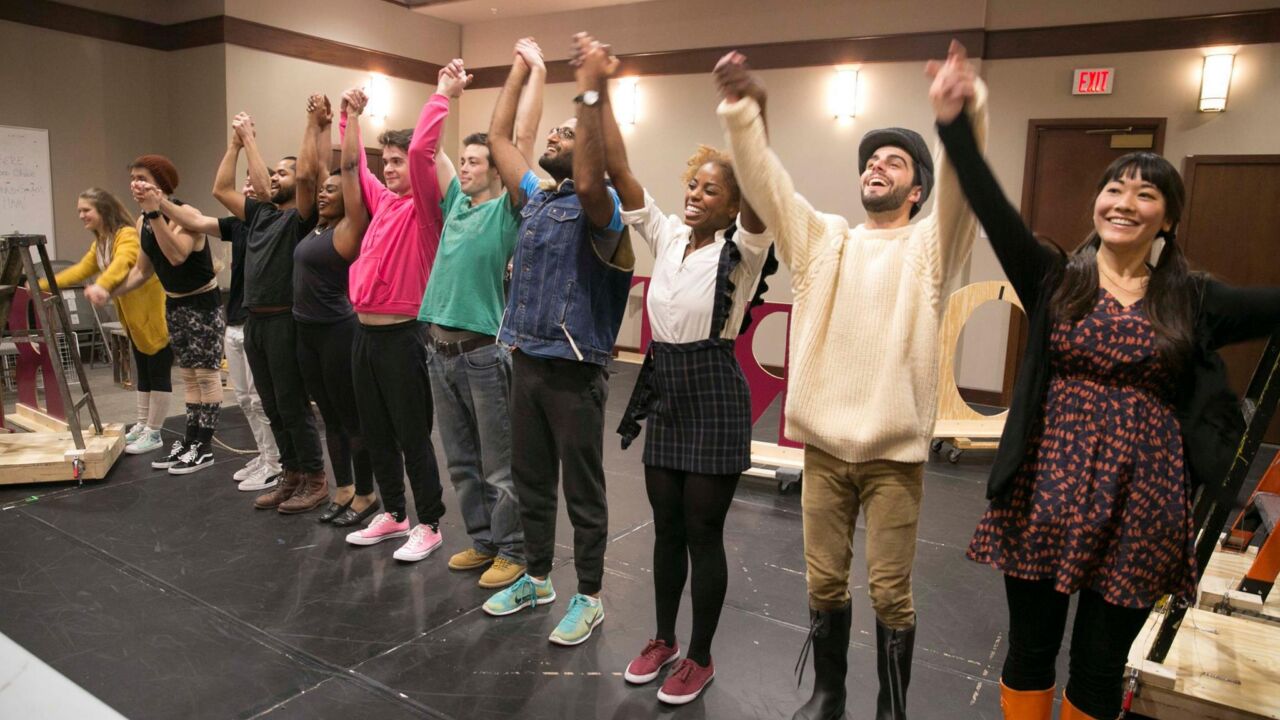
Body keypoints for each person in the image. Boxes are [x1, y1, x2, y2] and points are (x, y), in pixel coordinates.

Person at [933, 54, 1280, 720]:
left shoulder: (1195, 299)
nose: (1125, 202)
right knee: (1030, 650)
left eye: (1146, 194)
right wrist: (953, 121)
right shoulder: (1054, 276)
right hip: (1045, 487)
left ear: (1168, 218)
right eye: (1115, 188)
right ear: (1097, 203)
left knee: (1098, 665)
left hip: (1142, 501)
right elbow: (991, 205)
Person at [715, 42, 985, 720]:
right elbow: (769, 185)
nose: (877, 166)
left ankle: (891, 709)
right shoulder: (825, 242)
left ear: (916, 189)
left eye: (894, 161)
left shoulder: (927, 251)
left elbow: (963, 193)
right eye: (871, 159)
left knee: (891, 592)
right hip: (825, 451)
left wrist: (961, 116)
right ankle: (829, 694)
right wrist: (743, 110)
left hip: (893, 457)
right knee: (825, 581)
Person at [577, 34, 775, 703]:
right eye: (692, 183)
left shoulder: (744, 250)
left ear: (731, 201)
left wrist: (748, 111)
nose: (694, 193)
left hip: (715, 387)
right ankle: (662, 637)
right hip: (664, 385)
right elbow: (622, 169)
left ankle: (701, 654)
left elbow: (757, 186)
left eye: (709, 188)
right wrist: (597, 87)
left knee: (702, 531)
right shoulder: (665, 235)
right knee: (665, 528)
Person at [479, 32, 633, 648]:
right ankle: (537, 578)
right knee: (531, 479)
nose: (553, 141)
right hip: (526, 361)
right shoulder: (538, 198)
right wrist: (519, 70)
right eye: (555, 136)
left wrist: (589, 94)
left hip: (573, 372)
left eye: (565, 137)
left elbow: (595, 179)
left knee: (583, 490)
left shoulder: (605, 208)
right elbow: (499, 142)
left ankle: (589, 596)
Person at [418, 39, 544, 589]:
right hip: (437, 351)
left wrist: (528, 69)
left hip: (482, 357)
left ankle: (513, 550)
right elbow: (426, 151)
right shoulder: (455, 208)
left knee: (498, 465)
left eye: (475, 162)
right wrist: (443, 94)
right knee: (461, 463)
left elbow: (522, 141)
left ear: (497, 173)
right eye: (463, 161)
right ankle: (483, 542)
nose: (465, 168)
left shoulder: (504, 213)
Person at [337, 60, 461, 561]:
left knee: (411, 433)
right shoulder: (384, 204)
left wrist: (442, 95)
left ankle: (428, 522)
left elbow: (426, 153)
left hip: (404, 336)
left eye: (399, 161)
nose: (391, 169)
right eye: (386, 161)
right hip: (363, 336)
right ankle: (394, 511)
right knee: (373, 430)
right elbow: (351, 167)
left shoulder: (426, 210)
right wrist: (349, 118)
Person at [214, 109, 327, 514]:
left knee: (292, 404)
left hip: (284, 321)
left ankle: (314, 479)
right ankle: (291, 475)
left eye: (284, 172)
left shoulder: (300, 217)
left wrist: (248, 139)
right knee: (272, 405)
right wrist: (233, 146)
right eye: (273, 172)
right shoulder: (261, 214)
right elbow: (221, 188)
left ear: (300, 183)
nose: (275, 177)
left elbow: (267, 183)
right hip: (255, 322)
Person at [161, 171, 282, 492]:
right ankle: (265, 454)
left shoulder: (276, 222)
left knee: (260, 400)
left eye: (251, 183)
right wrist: (156, 203)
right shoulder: (236, 225)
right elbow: (198, 219)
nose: (244, 188)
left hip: (260, 323)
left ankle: (276, 463)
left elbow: (200, 215)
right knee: (243, 398)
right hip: (235, 320)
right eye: (242, 183)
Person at [295, 93, 379, 527]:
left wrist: (351, 120)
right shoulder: (315, 229)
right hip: (307, 334)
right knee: (329, 417)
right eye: (322, 191)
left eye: (332, 191)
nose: (323, 194)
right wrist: (318, 124)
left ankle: (366, 494)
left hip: (337, 332)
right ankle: (343, 487)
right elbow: (308, 176)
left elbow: (349, 170)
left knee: (351, 419)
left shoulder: (350, 228)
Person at [113, 155, 225, 475]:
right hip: (175, 304)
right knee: (188, 377)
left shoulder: (187, 215)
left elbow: (175, 255)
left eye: (142, 177)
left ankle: (204, 448)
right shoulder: (143, 221)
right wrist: (111, 290)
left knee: (205, 376)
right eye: (132, 177)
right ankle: (190, 444)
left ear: (160, 183)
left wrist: (154, 211)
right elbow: (143, 271)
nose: (135, 183)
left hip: (202, 305)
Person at [42, 188, 170, 455]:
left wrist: (102, 286)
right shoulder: (101, 241)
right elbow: (80, 270)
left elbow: (122, 264)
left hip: (153, 315)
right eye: (79, 210)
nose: (81, 215)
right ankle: (143, 424)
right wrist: (39, 285)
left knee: (157, 372)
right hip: (134, 320)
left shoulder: (126, 236)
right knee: (142, 372)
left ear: (104, 210)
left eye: (86, 210)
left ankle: (154, 431)